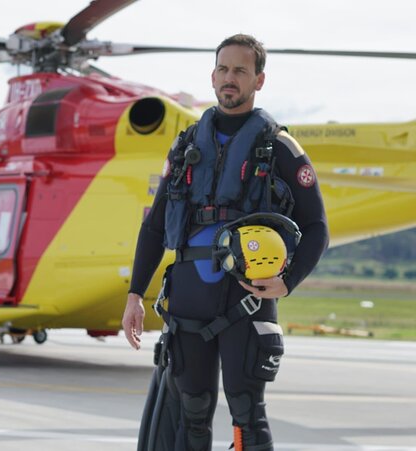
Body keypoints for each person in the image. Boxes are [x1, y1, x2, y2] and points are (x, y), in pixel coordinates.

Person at [123, 34, 329, 451]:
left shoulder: (280, 148)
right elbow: (154, 226)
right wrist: (134, 294)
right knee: (191, 415)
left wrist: (288, 281)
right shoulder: (185, 146)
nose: (229, 78)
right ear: (212, 75)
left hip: (247, 301)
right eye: (223, 69)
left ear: (259, 80)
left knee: (247, 416)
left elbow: (317, 226)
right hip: (187, 302)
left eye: (240, 70)